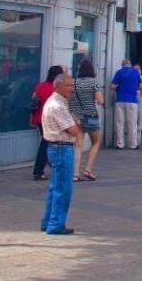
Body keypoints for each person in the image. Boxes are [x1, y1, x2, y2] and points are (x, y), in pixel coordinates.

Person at [40, 73, 80, 235]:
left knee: (55, 186)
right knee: (63, 188)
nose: (72, 89)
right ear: (59, 86)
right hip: (61, 148)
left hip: (57, 147)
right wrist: (76, 123)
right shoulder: (58, 105)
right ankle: (56, 223)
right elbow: (73, 130)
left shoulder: (58, 102)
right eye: (69, 86)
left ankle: (48, 220)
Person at [71, 58, 103, 181]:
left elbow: (70, 100)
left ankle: (75, 173)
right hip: (90, 116)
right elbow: (100, 101)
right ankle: (88, 169)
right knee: (95, 142)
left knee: (78, 145)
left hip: (76, 117)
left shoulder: (73, 82)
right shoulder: (93, 82)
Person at [31, 65, 63, 181]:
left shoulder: (39, 86)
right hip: (50, 120)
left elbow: (34, 103)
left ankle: (44, 169)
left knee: (47, 143)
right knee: (47, 145)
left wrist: (32, 119)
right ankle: (39, 170)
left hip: (39, 119)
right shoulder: (56, 89)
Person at [110, 59, 142, 150]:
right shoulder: (135, 73)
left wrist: (117, 87)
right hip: (132, 101)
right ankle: (133, 144)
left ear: (122, 65)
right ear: (130, 64)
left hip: (120, 100)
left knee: (119, 123)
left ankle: (120, 144)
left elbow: (112, 86)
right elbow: (141, 86)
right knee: (132, 123)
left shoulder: (119, 72)